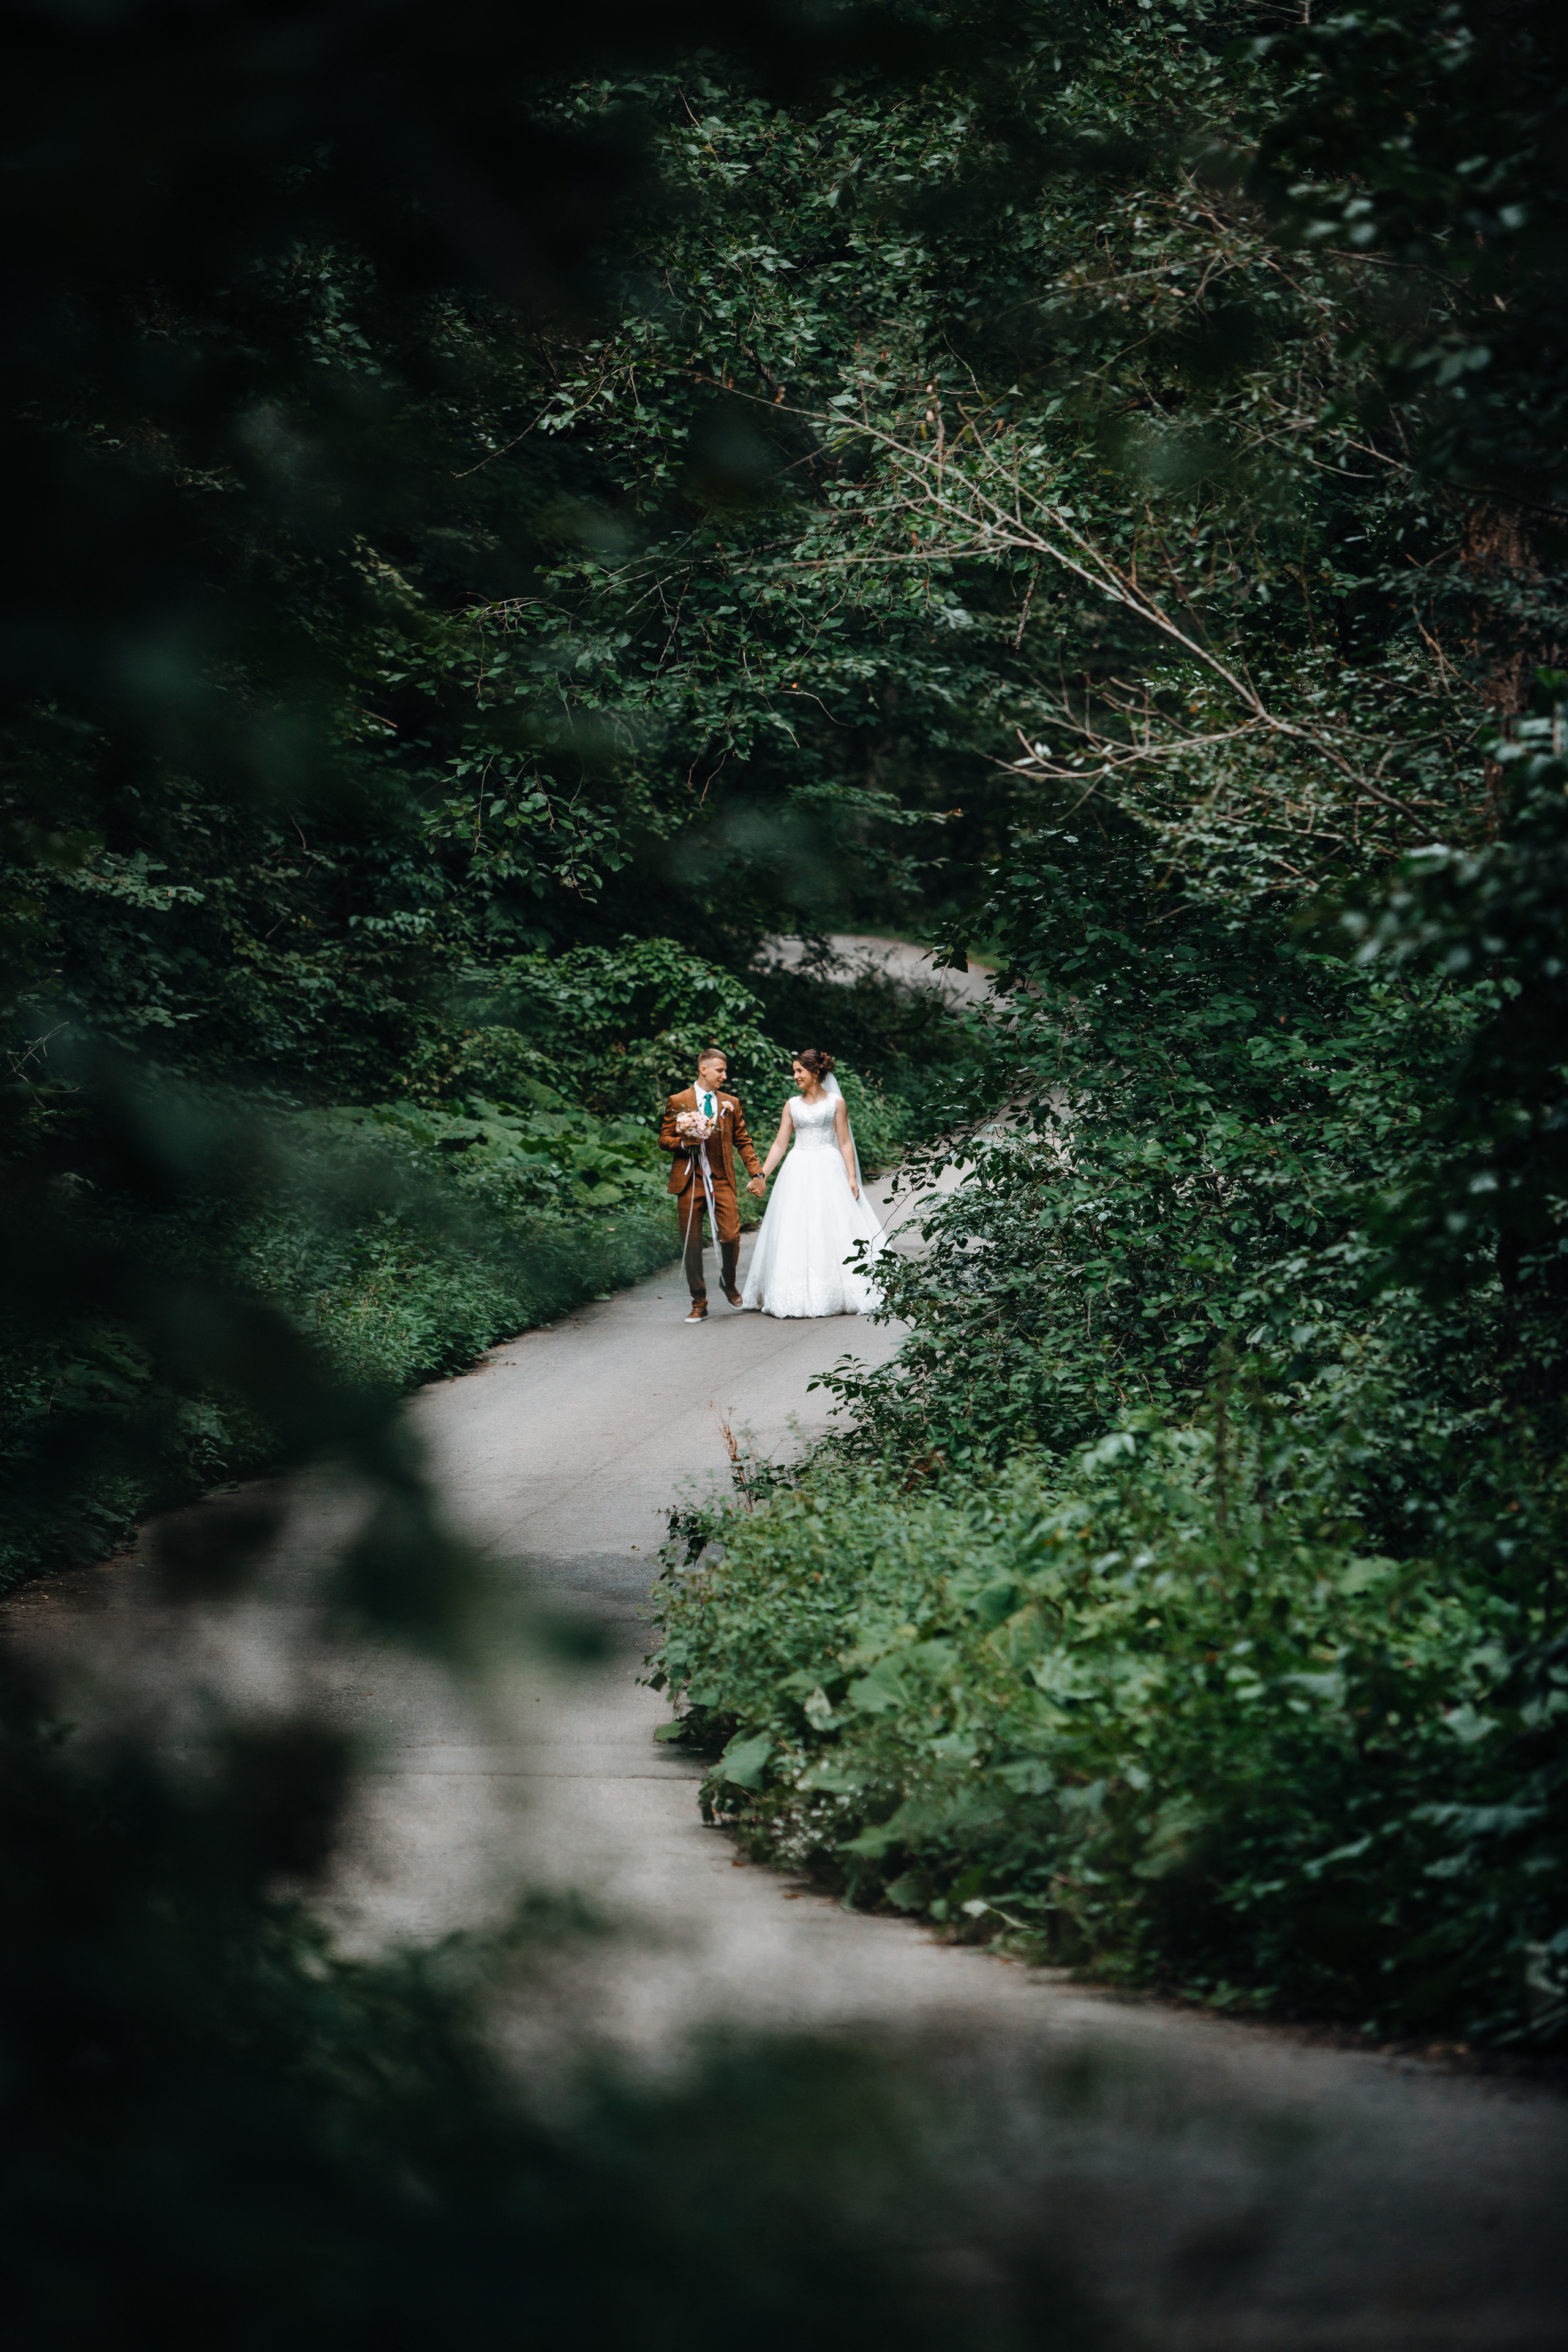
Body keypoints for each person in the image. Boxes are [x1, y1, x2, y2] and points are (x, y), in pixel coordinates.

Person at [742, 1049, 886, 1317]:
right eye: (794, 1070)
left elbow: (844, 1141)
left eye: (799, 1071)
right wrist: (761, 1175)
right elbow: (780, 1144)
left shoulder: (836, 1103)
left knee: (829, 1224)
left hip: (829, 1168)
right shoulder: (792, 1105)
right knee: (794, 1226)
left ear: (815, 1072)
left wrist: (852, 1177)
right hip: (797, 1168)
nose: (795, 1075)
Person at [659, 1046, 766, 1324]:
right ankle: (699, 1302)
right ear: (703, 1069)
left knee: (731, 1236)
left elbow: (742, 1140)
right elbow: (663, 1140)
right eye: (720, 1071)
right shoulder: (678, 1100)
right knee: (692, 1243)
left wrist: (757, 1173)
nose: (724, 1076)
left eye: (725, 1071)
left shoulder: (730, 1103)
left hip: (721, 1179)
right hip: (689, 1180)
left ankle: (728, 1283)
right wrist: (684, 1142)